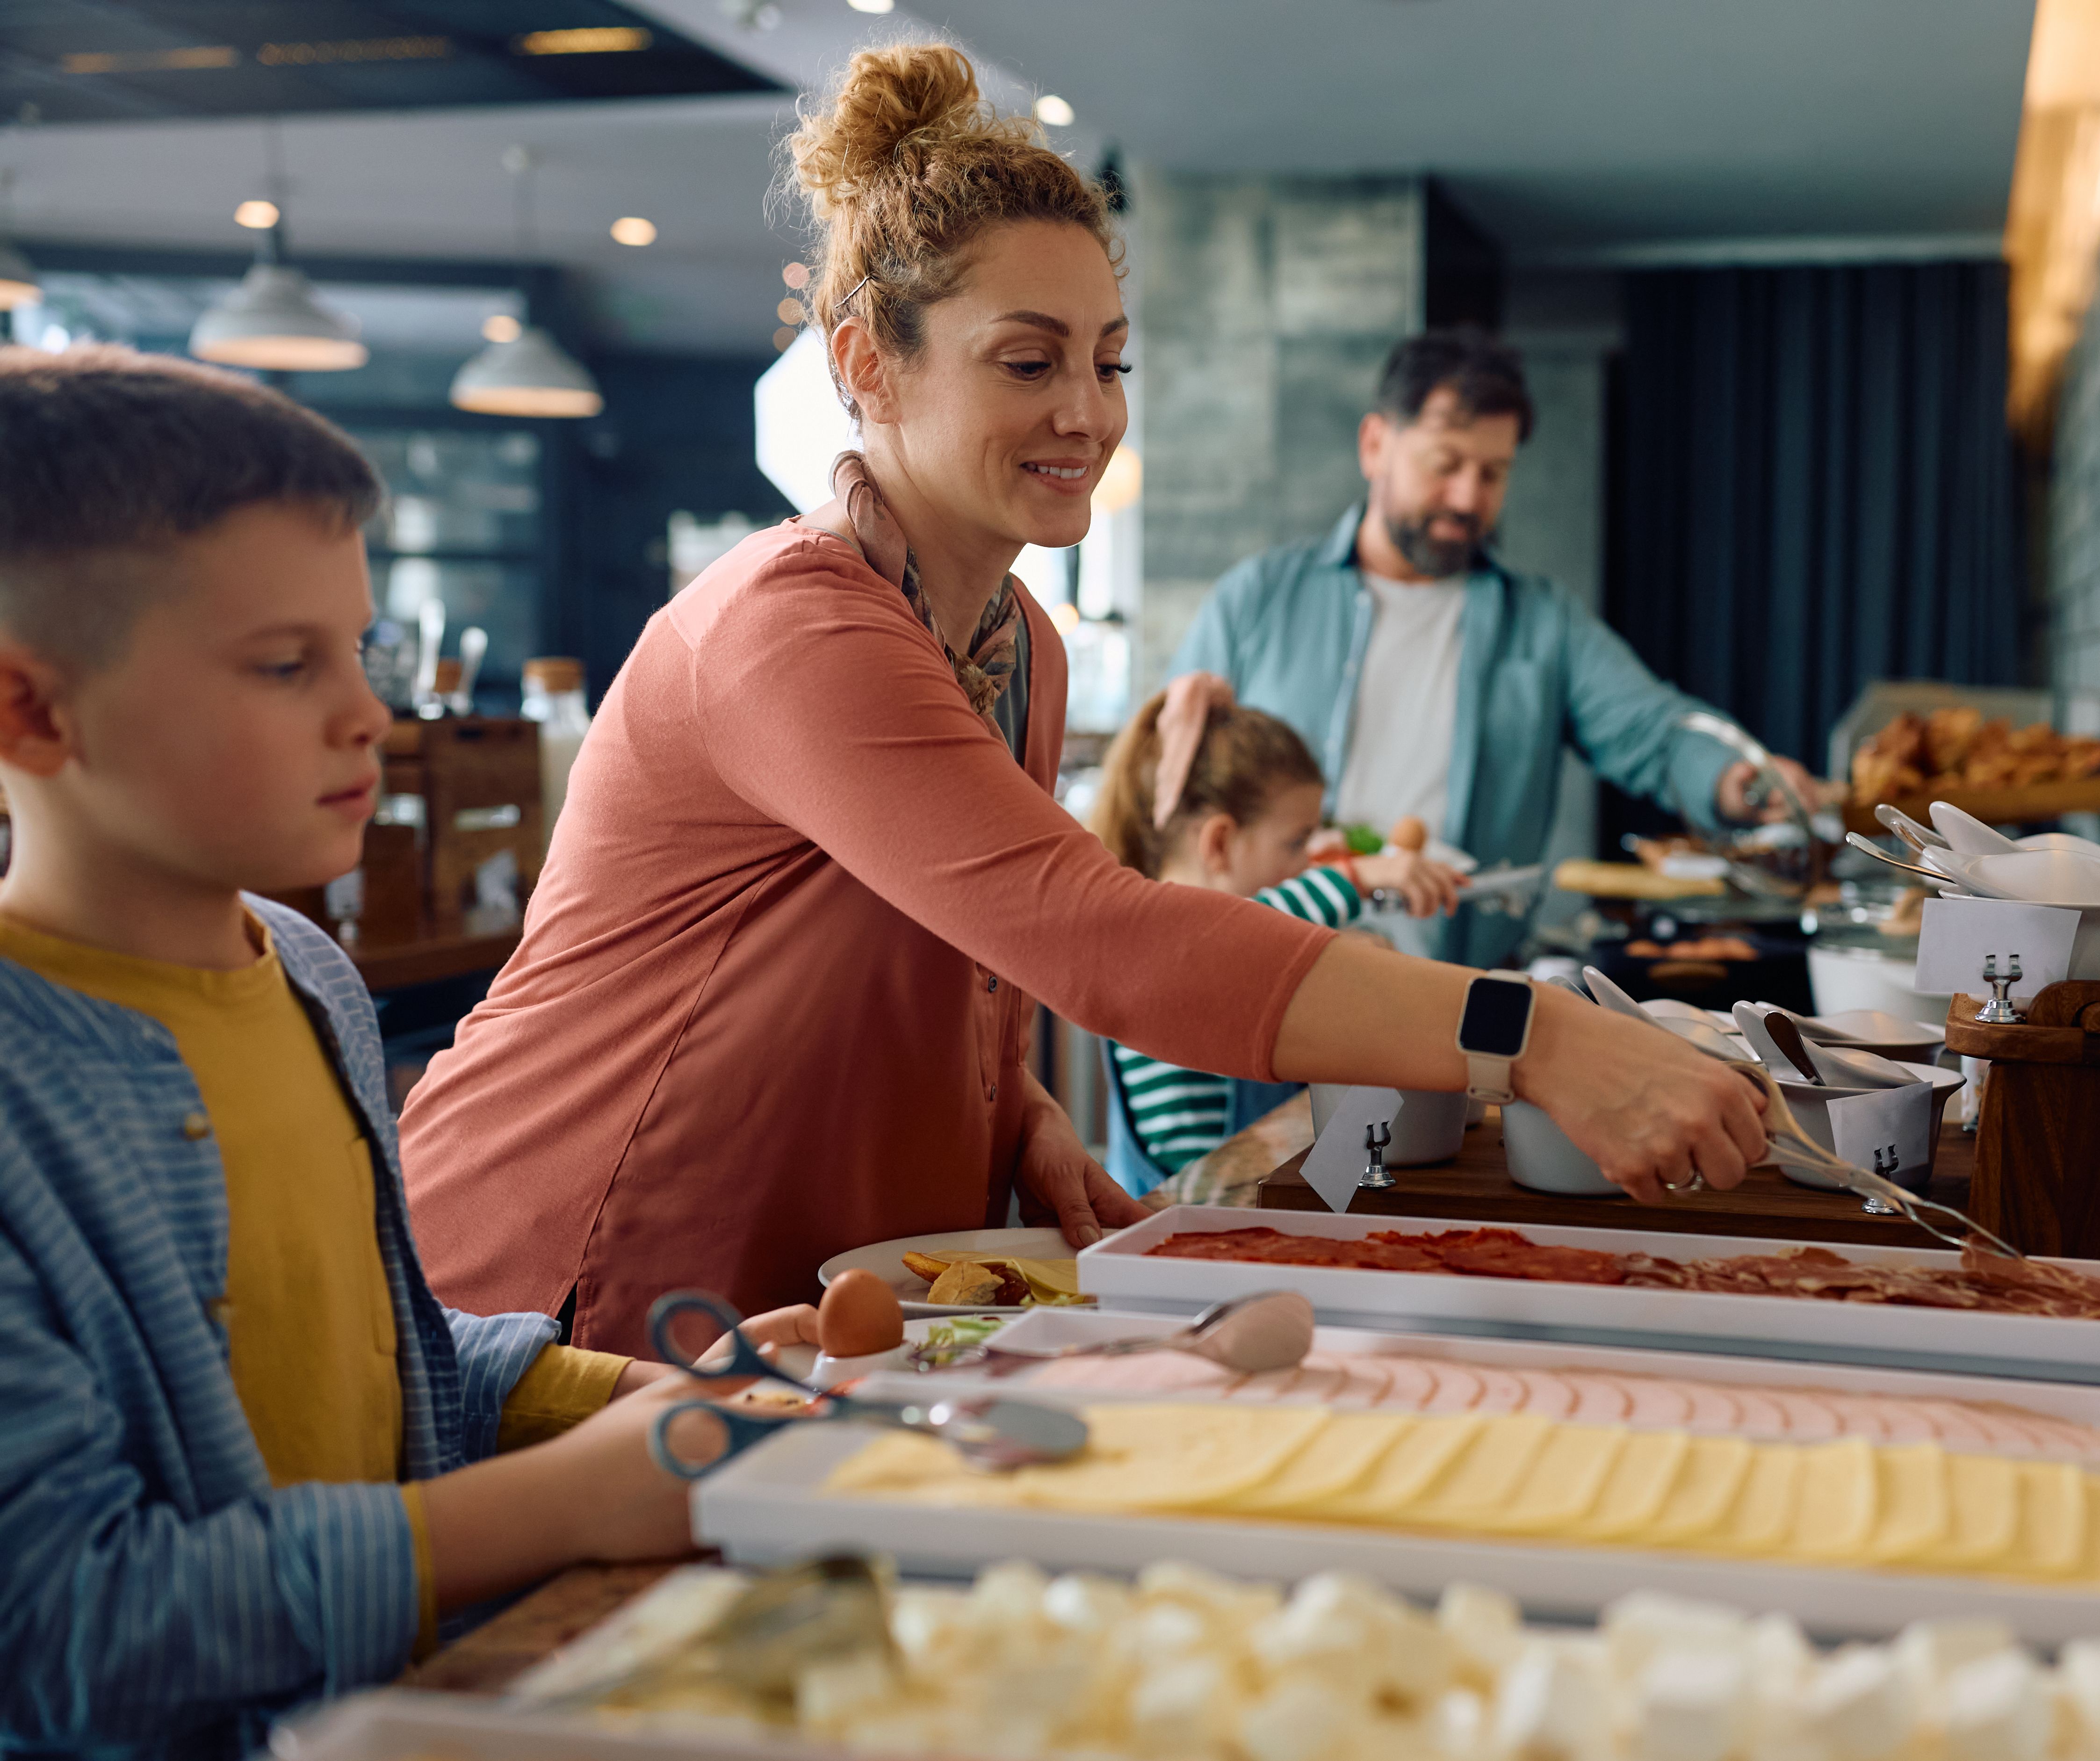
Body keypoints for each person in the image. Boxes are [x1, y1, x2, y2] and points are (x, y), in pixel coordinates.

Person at [398, 43, 1768, 1353]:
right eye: (1027, 359)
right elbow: (1097, 939)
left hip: (821, 1281)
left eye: (1108, 363)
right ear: (867, 359)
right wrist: (1526, 1035)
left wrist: (1013, 1106)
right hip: (566, 1269)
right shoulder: (790, 624)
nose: (1086, 413)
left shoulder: (1019, 641)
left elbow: (978, 945)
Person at [0, 347, 817, 1761]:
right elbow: (67, 1620)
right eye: (281, 664)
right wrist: (570, 1501)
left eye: (359, 651)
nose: (365, 716)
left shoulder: (308, 972)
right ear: (32, 711)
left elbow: (380, 1355)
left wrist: (648, 1392)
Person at [1171, 328, 1834, 965]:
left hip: (1456, 995)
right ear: (1376, 445)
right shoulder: (1257, 598)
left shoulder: (1543, 621)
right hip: (1270, 982)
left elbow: (1653, 732)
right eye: (1447, 464)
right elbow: (1171, 799)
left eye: (1493, 473)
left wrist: (1734, 779)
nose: (1468, 496)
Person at [1085, 671, 1464, 1192]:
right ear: (1219, 843)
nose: (1307, 863)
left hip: (1256, 1202)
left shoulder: (1198, 945)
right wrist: (1353, 877)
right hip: (1186, 1226)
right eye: (1296, 843)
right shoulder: (1161, 946)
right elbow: (1238, 933)